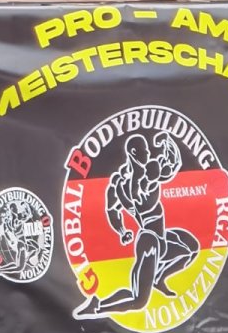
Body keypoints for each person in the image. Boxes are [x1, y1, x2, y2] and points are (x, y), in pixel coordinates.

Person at [73, 132, 199, 318]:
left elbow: (112, 211)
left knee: (192, 248)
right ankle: (98, 305)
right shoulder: (145, 176)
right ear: (133, 153)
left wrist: (122, 231)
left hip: (160, 237)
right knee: (139, 300)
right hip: (150, 241)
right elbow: (174, 163)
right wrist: (166, 141)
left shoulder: (119, 183)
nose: (148, 153)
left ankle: (159, 277)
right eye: (144, 150)